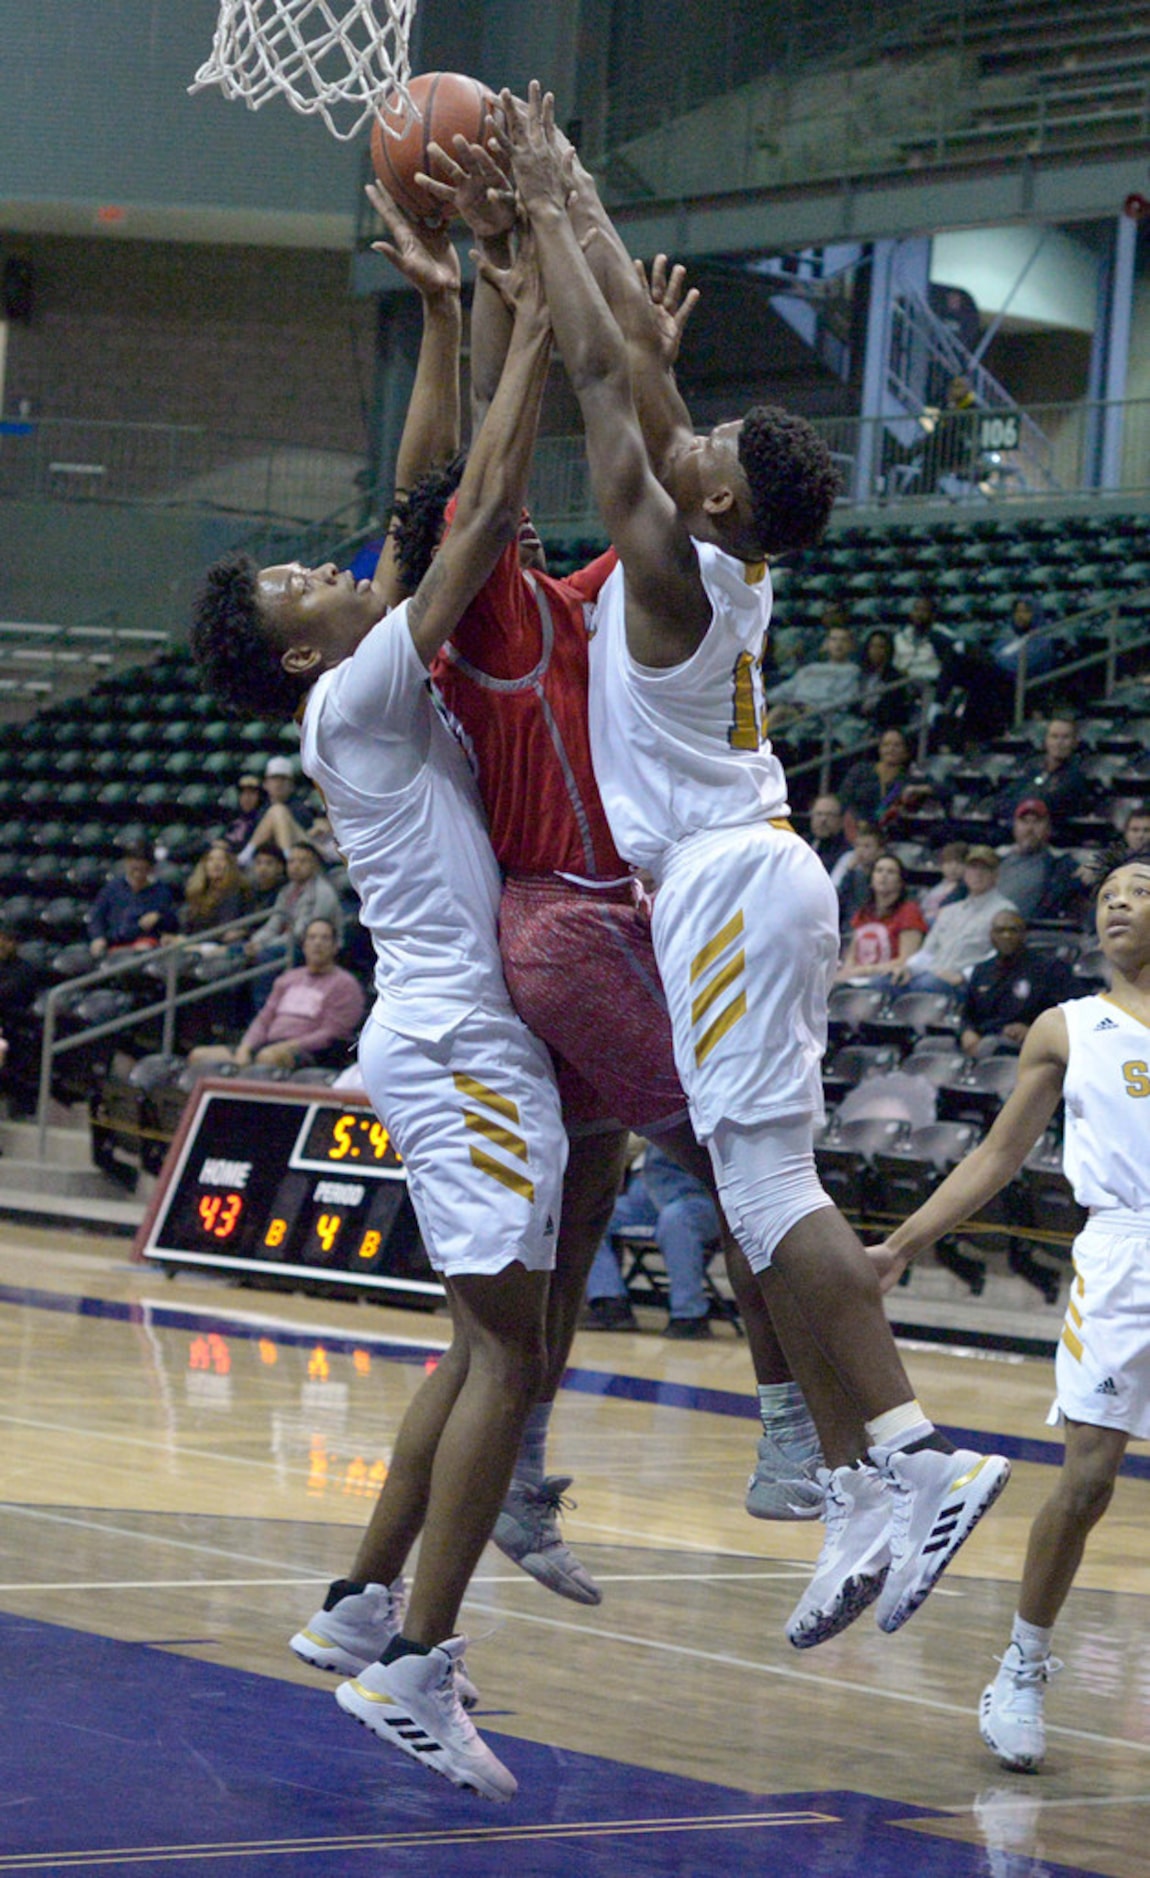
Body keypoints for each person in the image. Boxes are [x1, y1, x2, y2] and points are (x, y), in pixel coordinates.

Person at [507, 81, 1010, 1652]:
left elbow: (598, 370)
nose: (687, 428)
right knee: (744, 1175)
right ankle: (861, 1479)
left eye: (704, 438)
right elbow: (645, 391)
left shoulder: (662, 558)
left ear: (712, 497)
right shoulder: (716, 543)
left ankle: (917, 1458)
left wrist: (536, 207)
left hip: (731, 879)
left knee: (761, 1181)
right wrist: (582, 184)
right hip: (754, 874)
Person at [394, 134, 833, 1581]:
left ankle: (511, 1468)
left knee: (583, 1199)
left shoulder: (607, 584)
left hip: (612, 913)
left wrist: (564, 296)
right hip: (567, 925)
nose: (521, 507)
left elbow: (648, 452)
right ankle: (788, 1430)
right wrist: (526, 285)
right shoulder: (490, 617)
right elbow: (503, 478)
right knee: (721, 1151)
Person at [191, 200, 566, 1801]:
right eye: (298, 579)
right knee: (511, 1360)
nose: (326, 570)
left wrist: (436, 317)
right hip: (460, 1037)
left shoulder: (345, 679)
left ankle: (360, 1604)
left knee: (481, 1350)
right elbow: (466, 518)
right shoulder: (356, 686)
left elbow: (410, 517)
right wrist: (530, 326)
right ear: (295, 656)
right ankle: (420, 1659)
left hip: (449, 1029)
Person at [870, 851, 1150, 1773]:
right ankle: (1023, 1668)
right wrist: (903, 1242)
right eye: (1109, 894)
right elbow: (994, 1159)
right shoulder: (1066, 1029)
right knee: (1088, 1482)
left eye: (1141, 892)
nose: (1121, 903)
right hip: (1122, 1260)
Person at [582, 1139, 721, 1337]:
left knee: (675, 1219)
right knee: (591, 1216)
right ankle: (609, 1301)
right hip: (650, 1190)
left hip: (699, 1196)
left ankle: (690, 1315)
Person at [187, 918, 364, 1072]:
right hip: (268, 1045)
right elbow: (264, 1019)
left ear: (335, 946)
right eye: (312, 937)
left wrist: (288, 1046)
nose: (317, 943)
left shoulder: (345, 984)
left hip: (308, 1052)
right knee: (199, 1056)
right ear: (303, 945)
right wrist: (245, 1049)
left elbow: (331, 1033)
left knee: (267, 1058)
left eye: (324, 938)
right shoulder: (288, 978)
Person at [884, 845, 1017, 994]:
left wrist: (965, 975)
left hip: (966, 983)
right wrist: (908, 968)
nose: (978, 874)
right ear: (965, 873)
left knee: (922, 986)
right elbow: (927, 952)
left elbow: (999, 956)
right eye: (973, 868)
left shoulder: (1005, 912)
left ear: (996, 875)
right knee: (886, 982)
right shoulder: (949, 911)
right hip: (933, 974)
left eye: (984, 869)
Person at [958, 909, 1076, 1057]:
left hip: (1029, 1043)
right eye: (1000, 931)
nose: (1006, 936)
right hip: (985, 1036)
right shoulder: (982, 971)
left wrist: (1033, 1030)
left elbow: (1071, 1013)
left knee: (990, 1045)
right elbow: (967, 1014)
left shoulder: (1050, 969)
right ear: (991, 936)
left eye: (1013, 930)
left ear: (1024, 934)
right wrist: (967, 1032)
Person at [982, 715, 1095, 843]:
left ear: (1075, 742)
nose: (1059, 742)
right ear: (1046, 741)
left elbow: (1049, 804)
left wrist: (1025, 804)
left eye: (1065, 737)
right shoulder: (1033, 769)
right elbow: (1001, 801)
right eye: (1054, 736)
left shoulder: (1077, 775)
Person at [245, 839, 343, 958]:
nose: (296, 866)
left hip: (314, 948)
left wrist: (265, 946)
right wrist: (255, 941)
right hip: (284, 943)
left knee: (264, 956)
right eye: (291, 862)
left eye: (303, 861)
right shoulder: (286, 890)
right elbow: (274, 924)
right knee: (242, 951)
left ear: (315, 865)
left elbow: (302, 934)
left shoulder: (323, 892)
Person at [836, 854, 927, 982]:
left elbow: (907, 960)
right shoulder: (864, 912)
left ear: (900, 881)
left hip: (886, 979)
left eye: (891, 872)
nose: (883, 876)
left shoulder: (909, 911)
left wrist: (863, 971)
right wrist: (847, 973)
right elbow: (852, 955)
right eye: (879, 871)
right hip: (856, 979)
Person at [996, 799, 1084, 924]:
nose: (1030, 828)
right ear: (1014, 826)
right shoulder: (995, 858)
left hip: (1036, 933)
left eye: (1037, 822)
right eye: (1024, 821)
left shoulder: (1062, 865)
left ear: (1048, 828)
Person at [86, 839, 179, 957]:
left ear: (151, 869)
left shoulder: (160, 892)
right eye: (134, 869)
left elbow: (172, 922)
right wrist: (98, 937)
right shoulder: (112, 889)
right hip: (114, 942)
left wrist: (159, 917)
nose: (138, 875)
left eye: (144, 870)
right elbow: (96, 917)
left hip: (145, 945)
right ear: (126, 864)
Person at [837, 727, 935, 837]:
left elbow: (942, 789)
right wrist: (858, 820)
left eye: (897, 745)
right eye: (886, 745)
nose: (891, 749)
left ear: (906, 750)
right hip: (856, 831)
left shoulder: (909, 777)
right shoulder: (861, 770)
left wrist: (919, 789)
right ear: (879, 748)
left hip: (893, 835)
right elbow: (844, 799)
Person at [766, 619, 861, 732]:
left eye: (843, 640)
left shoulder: (852, 670)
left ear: (851, 646)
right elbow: (787, 689)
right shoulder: (810, 668)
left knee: (779, 713)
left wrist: (816, 709)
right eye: (834, 639)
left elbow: (846, 699)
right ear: (826, 644)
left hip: (823, 716)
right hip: (795, 708)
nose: (838, 644)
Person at [236, 754, 315, 862]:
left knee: (278, 810)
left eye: (283, 779)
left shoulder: (301, 807)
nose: (278, 783)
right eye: (274, 779)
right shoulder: (261, 809)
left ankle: (288, 859)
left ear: (292, 785)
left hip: (300, 856)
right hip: (267, 860)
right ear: (265, 784)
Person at [178, 839, 252, 936]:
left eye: (221, 859)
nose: (216, 864)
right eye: (210, 859)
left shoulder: (234, 891)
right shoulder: (198, 892)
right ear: (204, 865)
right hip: (196, 942)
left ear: (229, 864)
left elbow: (224, 930)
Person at [835, 821, 884, 932]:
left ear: (880, 850)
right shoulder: (852, 873)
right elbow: (839, 899)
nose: (860, 851)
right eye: (858, 846)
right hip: (849, 926)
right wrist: (849, 871)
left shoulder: (883, 874)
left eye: (867, 846)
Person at [918, 840, 968, 925]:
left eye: (959, 863)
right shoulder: (938, 887)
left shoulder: (964, 889)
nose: (953, 868)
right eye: (949, 863)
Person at [806, 793, 851, 879]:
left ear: (841, 821)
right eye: (819, 814)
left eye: (829, 815)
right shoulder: (801, 844)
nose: (823, 819)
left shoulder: (847, 853)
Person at [221, 772, 264, 854]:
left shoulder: (262, 820)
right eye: (243, 793)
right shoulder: (231, 818)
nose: (247, 798)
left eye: (252, 793)